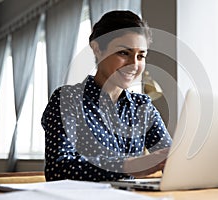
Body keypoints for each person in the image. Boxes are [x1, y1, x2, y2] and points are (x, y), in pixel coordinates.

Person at [41, 10, 172, 182]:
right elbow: (58, 169)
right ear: (97, 49)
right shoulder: (67, 100)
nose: (134, 64)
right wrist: (131, 165)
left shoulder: (143, 107)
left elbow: (171, 158)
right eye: (124, 53)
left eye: (141, 56)